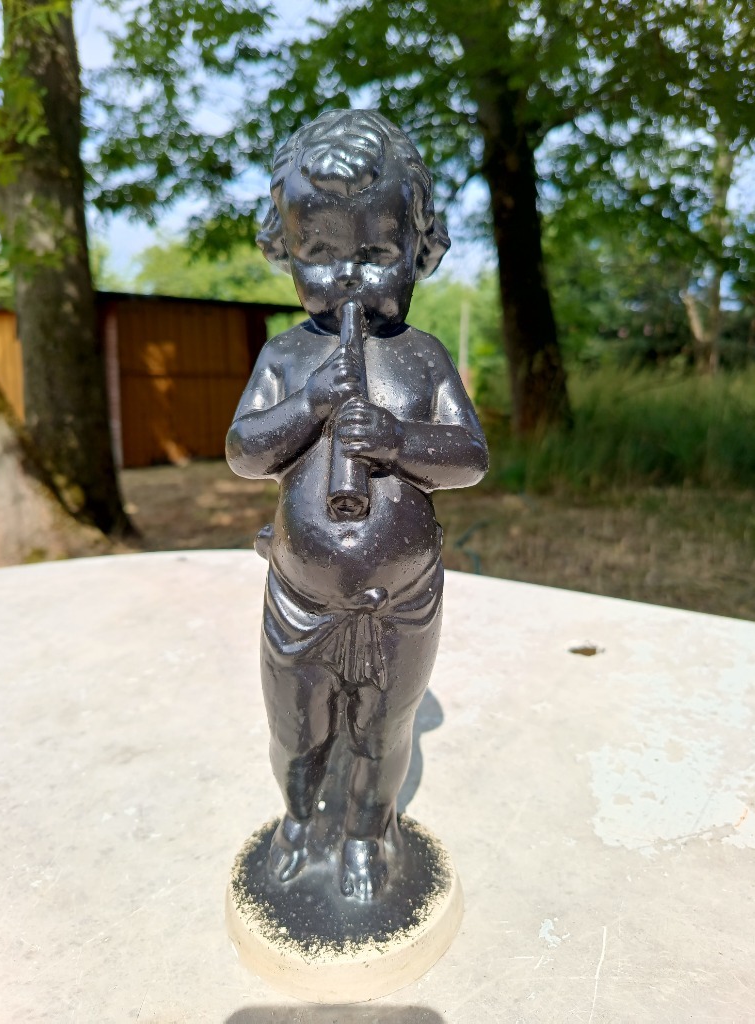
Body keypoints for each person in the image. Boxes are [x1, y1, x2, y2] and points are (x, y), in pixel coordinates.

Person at [226, 109, 488, 901]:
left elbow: (468, 457)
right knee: (294, 728)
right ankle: (298, 818)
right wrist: (308, 406)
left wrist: (398, 439)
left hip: (400, 599)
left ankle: (369, 834)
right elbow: (245, 450)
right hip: (299, 597)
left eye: (374, 257)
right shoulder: (284, 356)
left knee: (382, 729)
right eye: (319, 255)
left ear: (422, 251)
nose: (346, 279)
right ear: (283, 250)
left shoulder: (421, 357)